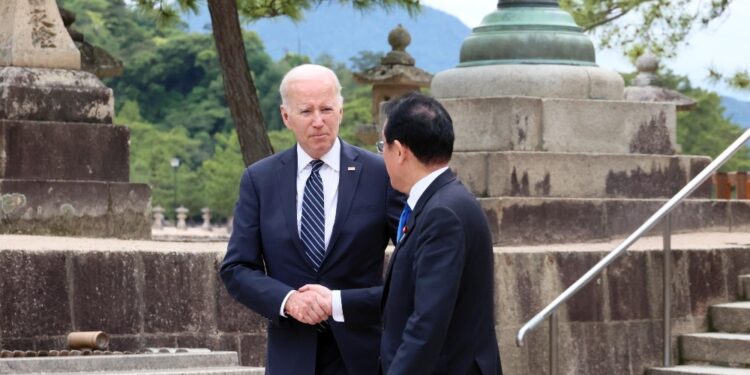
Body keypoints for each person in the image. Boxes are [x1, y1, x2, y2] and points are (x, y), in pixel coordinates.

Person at [302, 92, 502, 374]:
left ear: (400, 151)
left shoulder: (442, 214)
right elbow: (407, 295)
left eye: (383, 146)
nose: (381, 155)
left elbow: (427, 321)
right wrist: (334, 301)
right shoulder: (444, 201)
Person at [220, 64, 401, 375]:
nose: (319, 121)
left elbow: (415, 260)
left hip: (363, 354)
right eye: (306, 111)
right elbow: (237, 268)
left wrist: (343, 302)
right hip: (291, 354)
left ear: (341, 111)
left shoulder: (380, 174)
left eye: (327, 109)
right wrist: (289, 300)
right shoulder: (260, 179)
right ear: (286, 116)